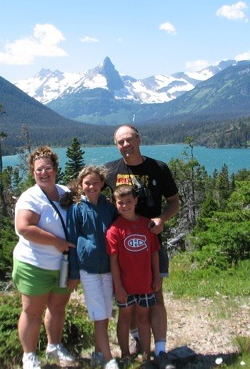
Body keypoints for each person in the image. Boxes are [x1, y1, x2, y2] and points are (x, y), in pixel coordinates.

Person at [104, 124, 180, 369]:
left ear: (138, 139)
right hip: (123, 247)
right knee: (131, 302)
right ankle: (139, 344)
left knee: (155, 296)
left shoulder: (158, 168)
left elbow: (173, 202)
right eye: (120, 142)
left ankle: (160, 351)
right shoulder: (110, 172)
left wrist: (162, 219)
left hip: (151, 244)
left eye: (129, 140)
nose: (126, 145)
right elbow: (88, 188)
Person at [12, 146, 77, 369]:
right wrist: (56, 242)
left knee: (58, 308)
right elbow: (24, 227)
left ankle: (54, 346)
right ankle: (29, 356)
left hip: (63, 265)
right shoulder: (30, 198)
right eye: (39, 169)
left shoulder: (65, 193)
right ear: (33, 172)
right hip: (34, 264)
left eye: (47, 168)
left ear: (55, 169)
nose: (43, 173)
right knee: (32, 312)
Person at [63, 165, 119, 369]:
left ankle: (98, 353)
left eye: (96, 182)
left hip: (108, 268)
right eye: (87, 183)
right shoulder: (77, 209)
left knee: (104, 312)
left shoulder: (109, 208)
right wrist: (75, 272)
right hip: (88, 270)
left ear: (103, 184)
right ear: (80, 185)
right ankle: (109, 359)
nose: (92, 186)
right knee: (98, 314)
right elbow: (72, 241)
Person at [107, 184, 161, 366]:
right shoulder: (114, 229)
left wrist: (157, 276)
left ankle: (146, 355)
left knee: (143, 318)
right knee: (124, 317)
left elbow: (154, 253)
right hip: (125, 286)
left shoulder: (147, 225)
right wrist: (118, 286)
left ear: (136, 201)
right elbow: (113, 261)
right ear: (115, 204)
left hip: (145, 282)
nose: (125, 206)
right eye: (120, 202)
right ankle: (124, 354)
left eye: (128, 201)